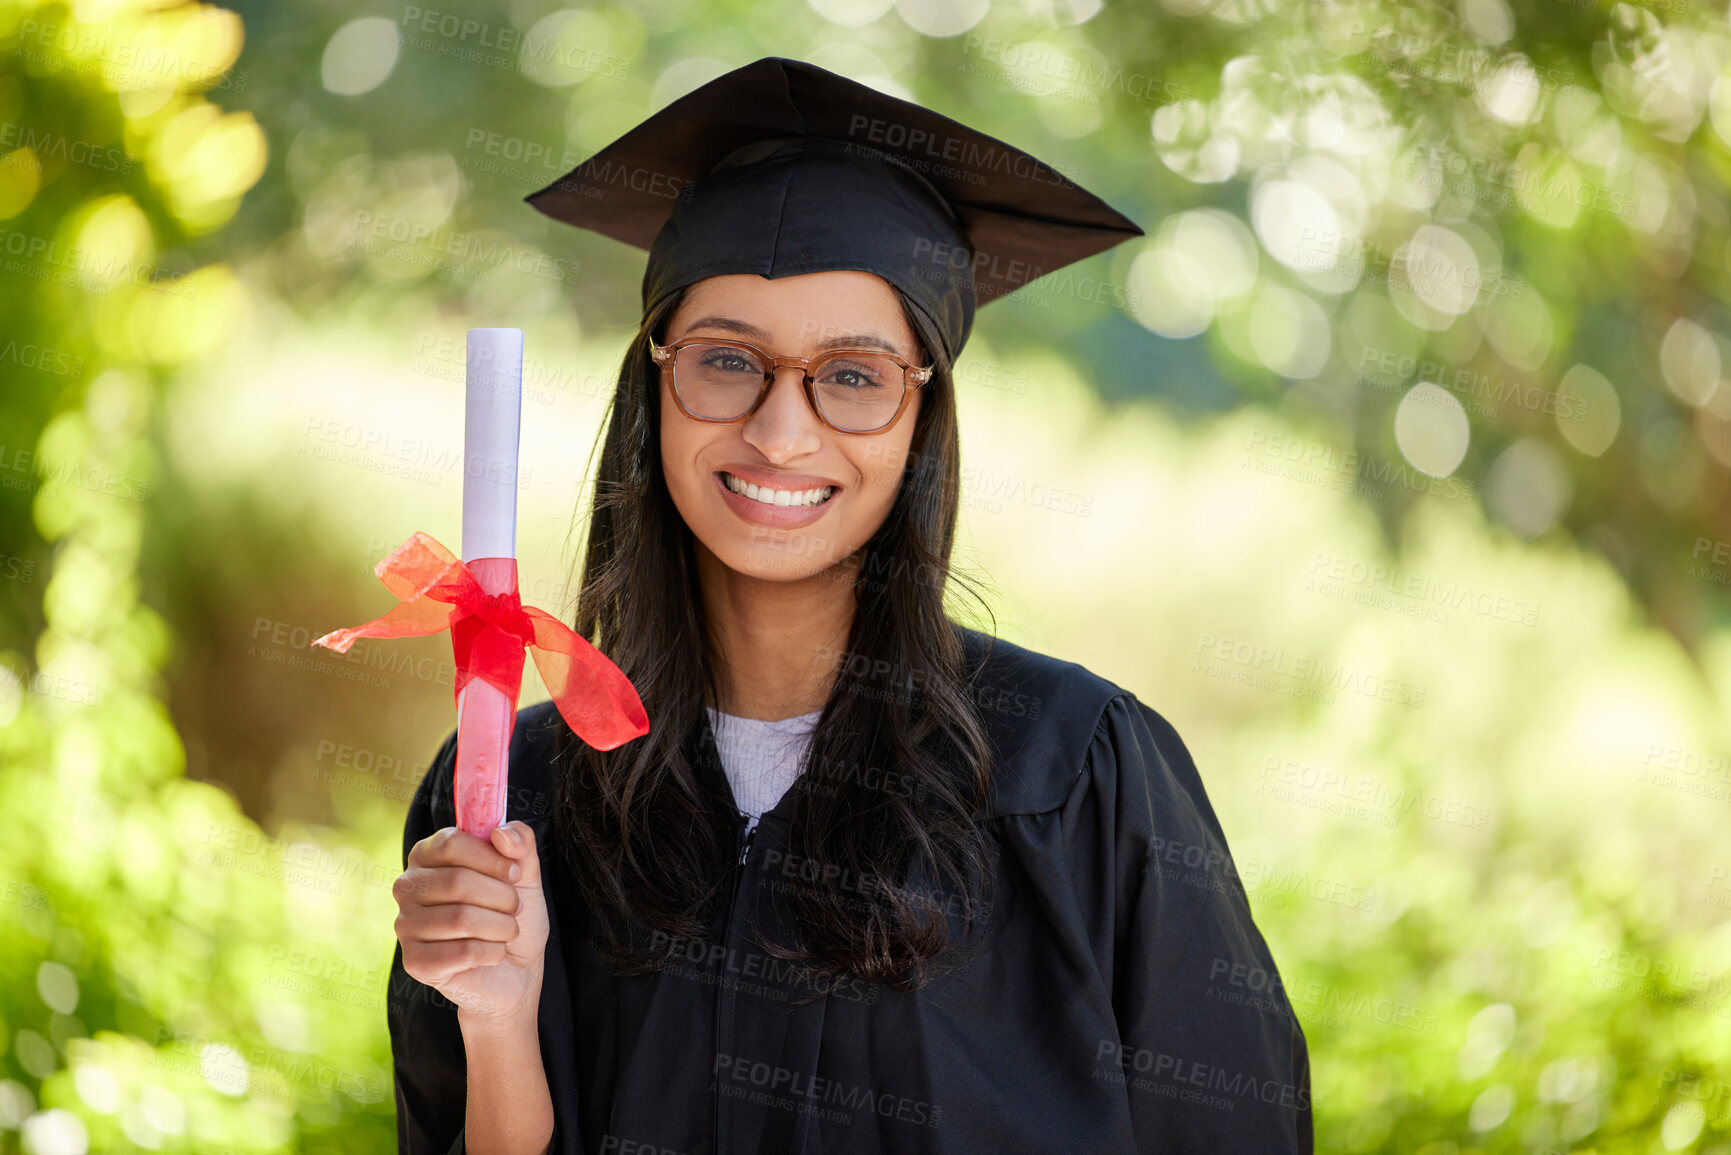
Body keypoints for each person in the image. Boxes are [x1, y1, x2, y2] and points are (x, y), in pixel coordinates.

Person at [388, 56, 1312, 1155]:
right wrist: (498, 1021)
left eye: (855, 375)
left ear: (924, 417)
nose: (781, 433)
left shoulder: (1075, 773)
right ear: (656, 387)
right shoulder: (513, 793)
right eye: (727, 361)